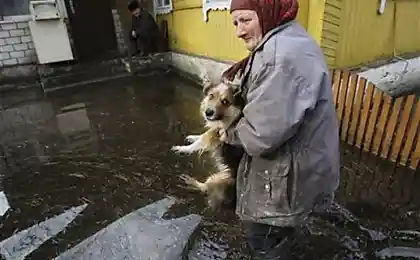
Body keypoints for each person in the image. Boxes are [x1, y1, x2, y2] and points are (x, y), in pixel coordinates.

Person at [219, 0, 341, 259]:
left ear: (266, 11)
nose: (239, 31)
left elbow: (259, 136)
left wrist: (227, 133)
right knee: (280, 235)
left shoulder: (280, 57)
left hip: (287, 176)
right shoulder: (288, 39)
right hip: (304, 164)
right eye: (235, 22)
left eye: (245, 20)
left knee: (262, 238)